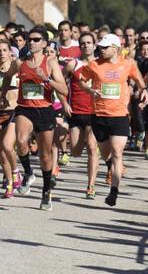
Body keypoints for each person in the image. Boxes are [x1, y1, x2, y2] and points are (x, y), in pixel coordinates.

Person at [0, 26, 69, 211]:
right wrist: (4, 94)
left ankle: (46, 192)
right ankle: (28, 173)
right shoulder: (20, 63)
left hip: (45, 111)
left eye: (36, 39)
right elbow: (7, 77)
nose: (32, 42)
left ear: (45, 43)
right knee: (21, 141)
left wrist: (46, 79)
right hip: (25, 110)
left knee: (45, 156)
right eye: (30, 39)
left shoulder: (51, 63)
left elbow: (64, 90)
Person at [80, 33, 148, 207]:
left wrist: (144, 90)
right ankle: (112, 166)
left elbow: (139, 79)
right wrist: (89, 91)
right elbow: (81, 80)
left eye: (105, 47)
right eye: (100, 47)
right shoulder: (94, 64)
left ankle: (113, 191)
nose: (101, 50)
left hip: (119, 116)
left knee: (118, 153)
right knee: (105, 153)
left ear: (115, 49)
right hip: (99, 116)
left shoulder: (128, 64)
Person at [64, 32, 99, 199]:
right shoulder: (73, 64)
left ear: (95, 44)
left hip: (95, 113)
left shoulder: (101, 65)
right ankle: (104, 156)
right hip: (76, 112)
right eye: (83, 43)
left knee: (92, 147)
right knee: (76, 152)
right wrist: (64, 103)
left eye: (89, 42)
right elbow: (60, 84)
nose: (86, 45)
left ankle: (90, 186)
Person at [0, 39, 20, 198]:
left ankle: (16, 173)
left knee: (8, 146)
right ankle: (9, 183)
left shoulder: (17, 69)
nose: (1, 53)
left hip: (13, 112)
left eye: (4, 50)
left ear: (10, 52)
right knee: (2, 151)